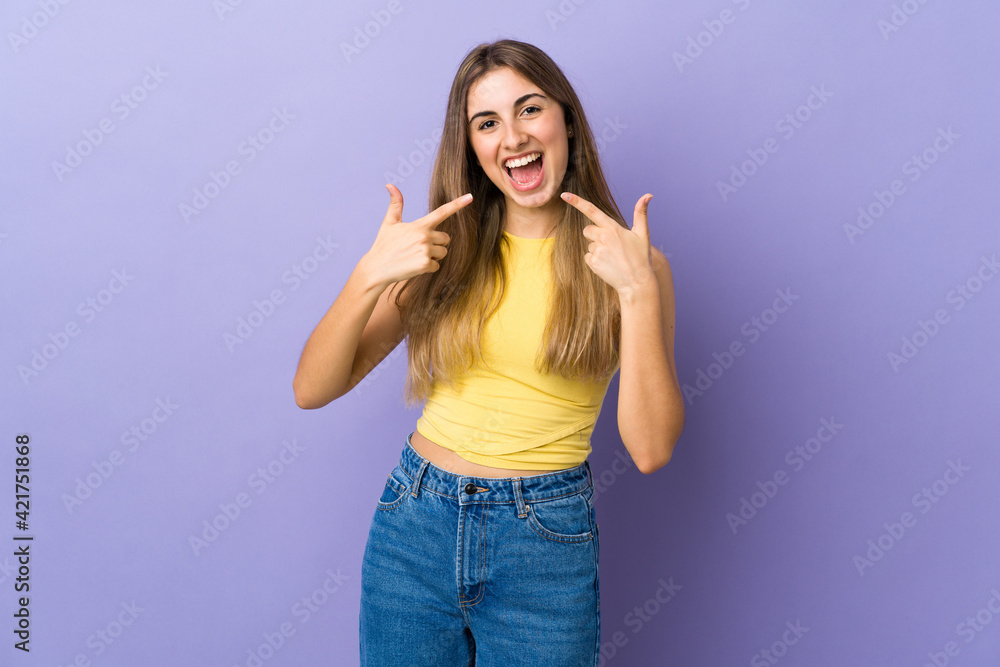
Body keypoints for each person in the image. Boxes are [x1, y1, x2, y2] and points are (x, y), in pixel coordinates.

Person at [293, 38, 683, 666]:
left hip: (544, 541)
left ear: (566, 121)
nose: (512, 137)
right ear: (472, 146)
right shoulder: (444, 250)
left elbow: (651, 448)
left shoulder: (632, 265)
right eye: (487, 122)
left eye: (529, 110)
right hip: (414, 526)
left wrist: (636, 292)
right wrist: (367, 277)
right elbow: (312, 390)